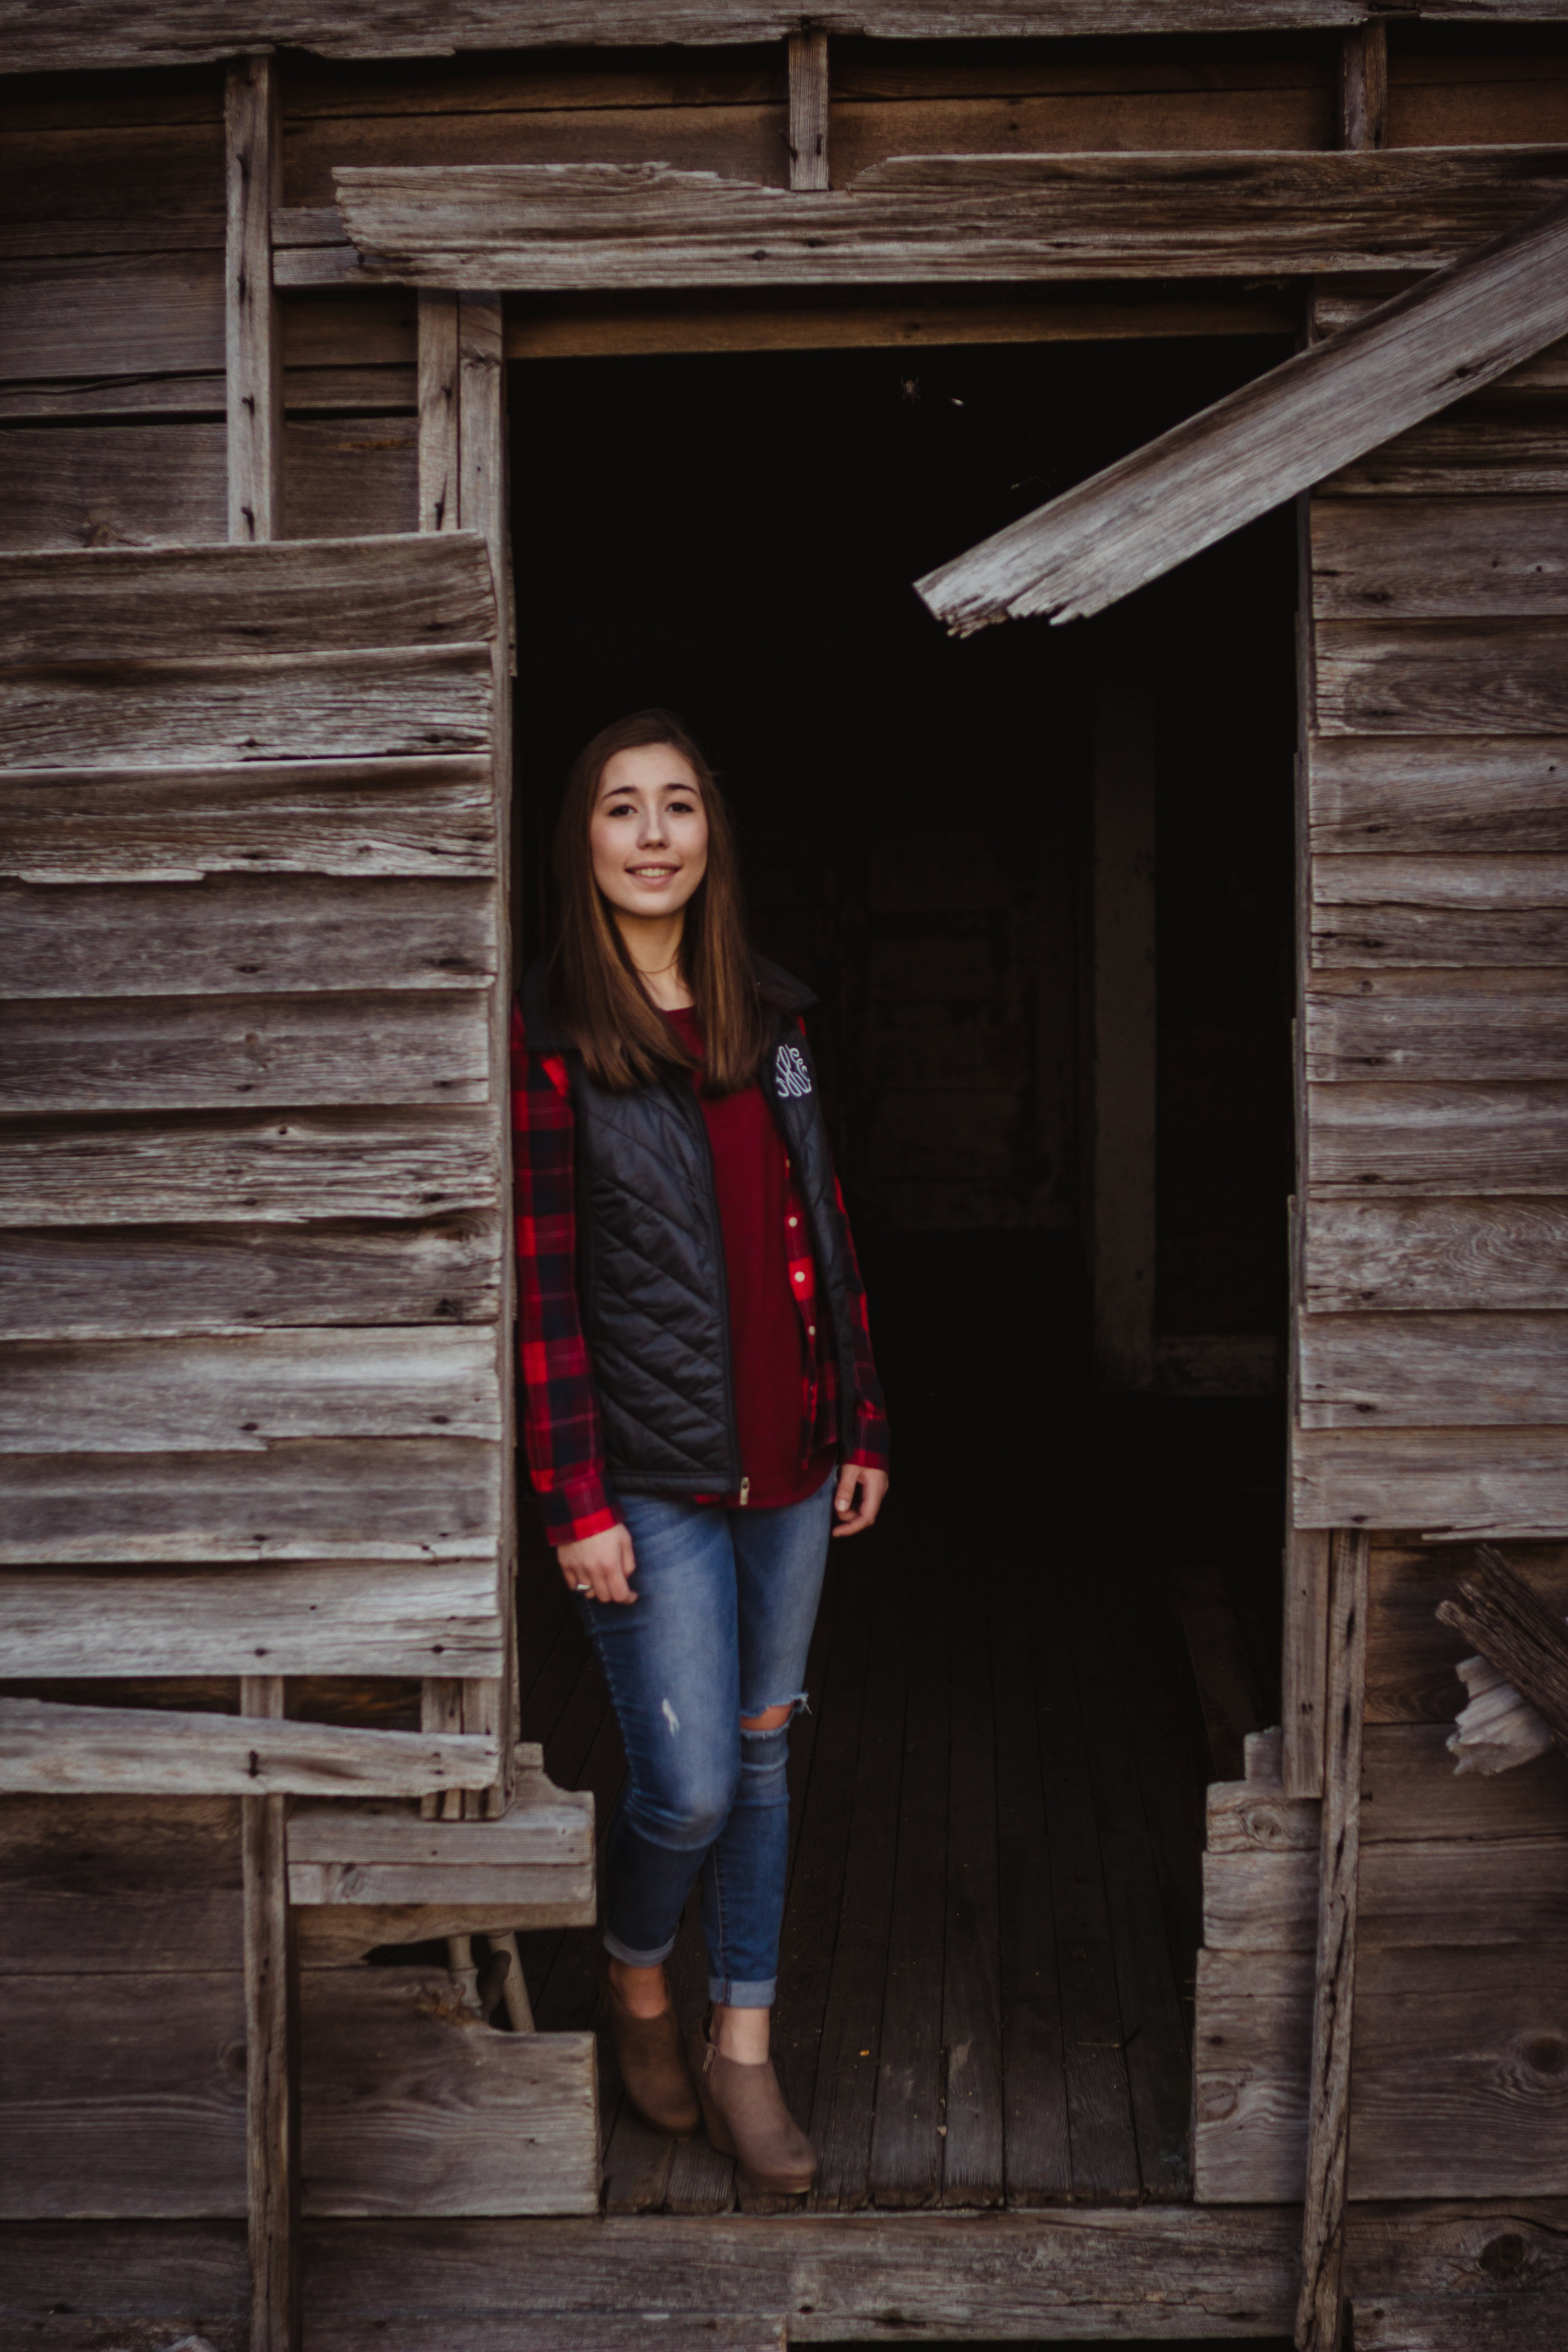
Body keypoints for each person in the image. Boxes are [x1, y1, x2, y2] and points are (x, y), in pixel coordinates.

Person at [512, 708, 889, 2195]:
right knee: (688, 1791)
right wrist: (572, 1498)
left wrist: (864, 1414)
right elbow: (542, 1289)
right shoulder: (554, 1041)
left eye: (679, 806)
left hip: (792, 1464)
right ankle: (637, 1977)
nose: (655, 834)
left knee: (763, 1759)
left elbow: (827, 1227)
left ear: (712, 835)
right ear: (584, 841)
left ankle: (744, 2050)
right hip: (649, 1485)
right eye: (623, 809)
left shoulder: (776, 1025)